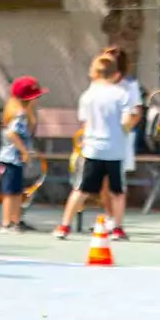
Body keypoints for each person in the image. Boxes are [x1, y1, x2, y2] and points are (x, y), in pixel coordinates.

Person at [54, 54, 133, 239]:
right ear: (115, 75)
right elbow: (127, 121)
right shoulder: (122, 94)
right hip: (115, 150)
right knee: (118, 192)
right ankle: (117, 228)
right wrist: (121, 131)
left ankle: (64, 226)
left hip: (93, 149)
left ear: (96, 73)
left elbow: (85, 122)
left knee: (80, 190)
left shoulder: (88, 96)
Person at [100, 46, 142, 240]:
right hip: (100, 139)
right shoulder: (99, 85)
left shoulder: (130, 85)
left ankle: (117, 224)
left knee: (116, 181)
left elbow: (136, 113)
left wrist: (122, 131)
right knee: (102, 181)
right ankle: (109, 217)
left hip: (121, 139)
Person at [0, 76, 47, 233]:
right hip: (11, 159)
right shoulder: (19, 115)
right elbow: (12, 134)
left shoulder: (25, 114)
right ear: (29, 98)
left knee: (17, 191)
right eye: (36, 96)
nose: (38, 99)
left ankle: (16, 221)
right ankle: (6, 223)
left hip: (16, 160)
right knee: (10, 192)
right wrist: (24, 151)